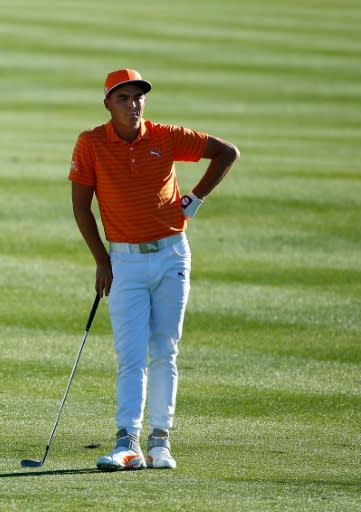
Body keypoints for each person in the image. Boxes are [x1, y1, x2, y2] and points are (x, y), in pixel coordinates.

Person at [68, 68, 239, 471]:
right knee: (130, 355)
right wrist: (101, 260)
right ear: (108, 103)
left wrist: (194, 199)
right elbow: (81, 207)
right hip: (124, 260)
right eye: (123, 98)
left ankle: (160, 440)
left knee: (165, 349)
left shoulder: (164, 136)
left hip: (172, 255)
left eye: (138, 97)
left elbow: (227, 152)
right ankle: (128, 442)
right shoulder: (91, 143)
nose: (133, 105)